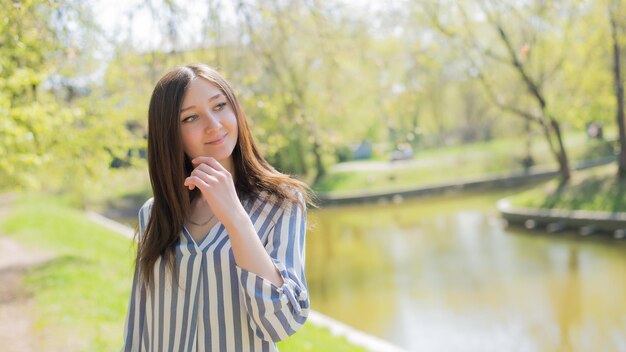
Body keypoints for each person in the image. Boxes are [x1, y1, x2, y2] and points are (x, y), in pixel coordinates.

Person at [121, 64, 312, 351]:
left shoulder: (281, 204)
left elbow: (282, 323)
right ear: (169, 134)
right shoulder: (154, 213)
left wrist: (237, 219)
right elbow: (139, 328)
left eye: (219, 105)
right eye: (191, 117)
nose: (214, 124)